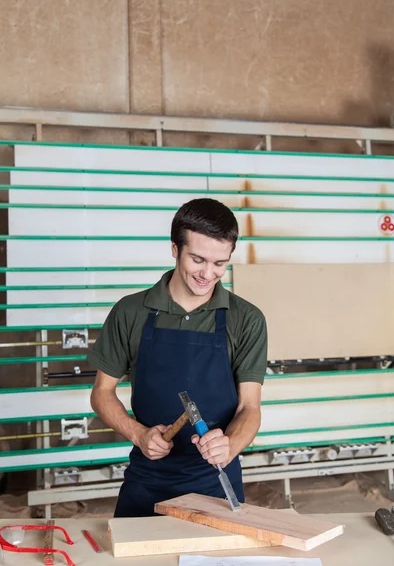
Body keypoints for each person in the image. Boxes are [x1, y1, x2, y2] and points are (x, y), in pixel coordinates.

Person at [88, 198, 268, 517]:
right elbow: (102, 393)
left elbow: (249, 407)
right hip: (147, 479)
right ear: (175, 249)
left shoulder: (247, 319)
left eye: (220, 263)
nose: (208, 274)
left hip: (216, 482)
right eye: (198, 259)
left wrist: (230, 445)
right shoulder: (130, 312)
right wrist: (138, 434)